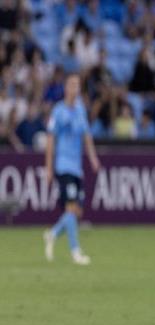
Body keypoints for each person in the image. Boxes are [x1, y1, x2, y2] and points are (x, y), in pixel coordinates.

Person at [44, 74, 100, 265]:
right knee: (70, 207)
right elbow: (50, 139)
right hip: (63, 165)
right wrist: (48, 168)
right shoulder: (58, 111)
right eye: (72, 85)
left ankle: (52, 234)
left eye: (78, 85)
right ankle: (75, 251)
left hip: (77, 167)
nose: (75, 88)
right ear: (66, 88)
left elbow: (86, 135)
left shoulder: (81, 110)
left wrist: (93, 158)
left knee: (76, 212)